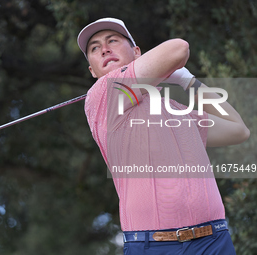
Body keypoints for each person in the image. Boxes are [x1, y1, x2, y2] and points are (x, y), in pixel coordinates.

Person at [77, 18, 250, 255]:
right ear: (93, 71)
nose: (104, 49)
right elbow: (178, 48)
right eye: (94, 48)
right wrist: (169, 70)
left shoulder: (177, 110)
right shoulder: (104, 95)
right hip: (154, 246)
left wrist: (189, 82)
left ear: (137, 53)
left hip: (214, 240)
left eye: (113, 41)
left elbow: (238, 129)